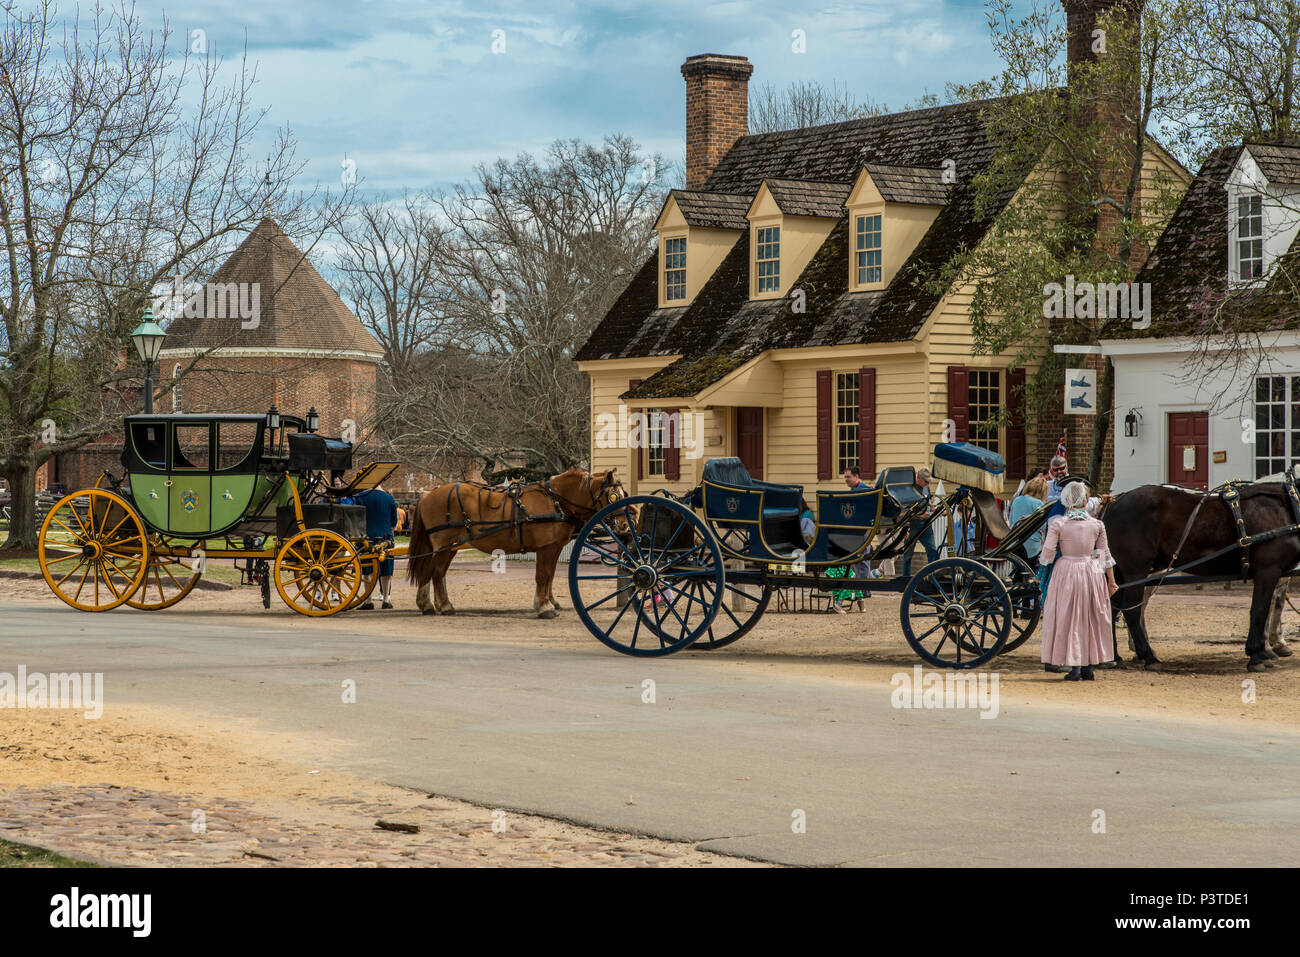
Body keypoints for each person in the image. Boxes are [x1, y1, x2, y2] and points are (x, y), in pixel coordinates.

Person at [1039, 481, 1118, 681]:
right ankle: (1088, 667)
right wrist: (1111, 580)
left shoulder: (1058, 524)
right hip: (1091, 571)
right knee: (1089, 617)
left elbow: (1047, 554)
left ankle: (1074, 666)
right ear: (1084, 501)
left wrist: (1044, 568)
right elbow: (1104, 555)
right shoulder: (1097, 524)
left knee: (1069, 618)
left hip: (1066, 570)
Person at [349, 483, 400, 609]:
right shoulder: (389, 498)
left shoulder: (360, 497)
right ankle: (386, 599)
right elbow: (394, 522)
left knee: (367, 570)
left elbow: (354, 518)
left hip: (366, 537)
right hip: (385, 536)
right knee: (386, 570)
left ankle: (368, 600)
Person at [900, 467, 941, 577]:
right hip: (913, 524)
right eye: (926, 481)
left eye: (928, 481)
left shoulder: (926, 488)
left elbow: (928, 503)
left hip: (926, 524)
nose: (928, 483)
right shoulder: (910, 489)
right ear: (918, 478)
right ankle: (906, 579)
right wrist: (919, 515)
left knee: (932, 549)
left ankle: (934, 576)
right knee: (908, 555)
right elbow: (905, 510)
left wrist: (936, 509)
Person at [1010, 474, 1049, 568]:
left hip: (1015, 542)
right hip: (1031, 544)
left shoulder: (1016, 500)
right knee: (1029, 571)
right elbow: (1044, 526)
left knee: (1018, 571)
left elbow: (1012, 520)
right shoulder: (1037, 503)